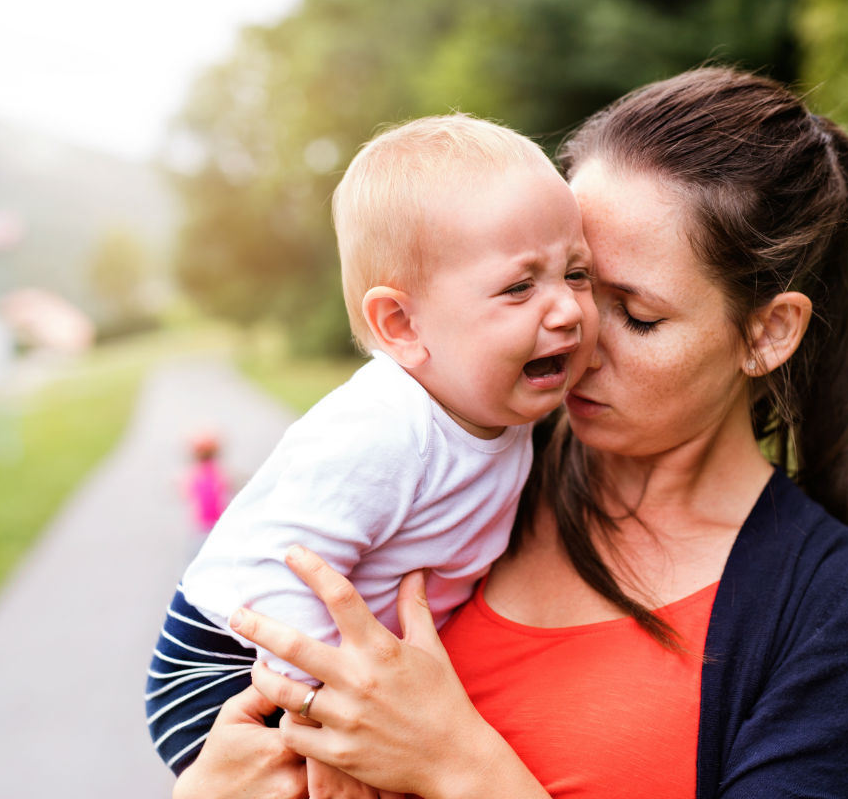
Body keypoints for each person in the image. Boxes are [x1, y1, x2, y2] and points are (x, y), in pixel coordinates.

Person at [153, 66, 848, 799]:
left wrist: (459, 765)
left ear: (767, 334)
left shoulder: (835, 613)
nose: (575, 333)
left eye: (637, 315)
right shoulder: (467, 475)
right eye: (572, 279)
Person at [148, 113, 597, 793]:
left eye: (577, 272)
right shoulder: (383, 428)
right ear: (402, 324)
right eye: (519, 286)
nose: (566, 310)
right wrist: (338, 713)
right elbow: (285, 574)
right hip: (224, 661)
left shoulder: (502, 409)